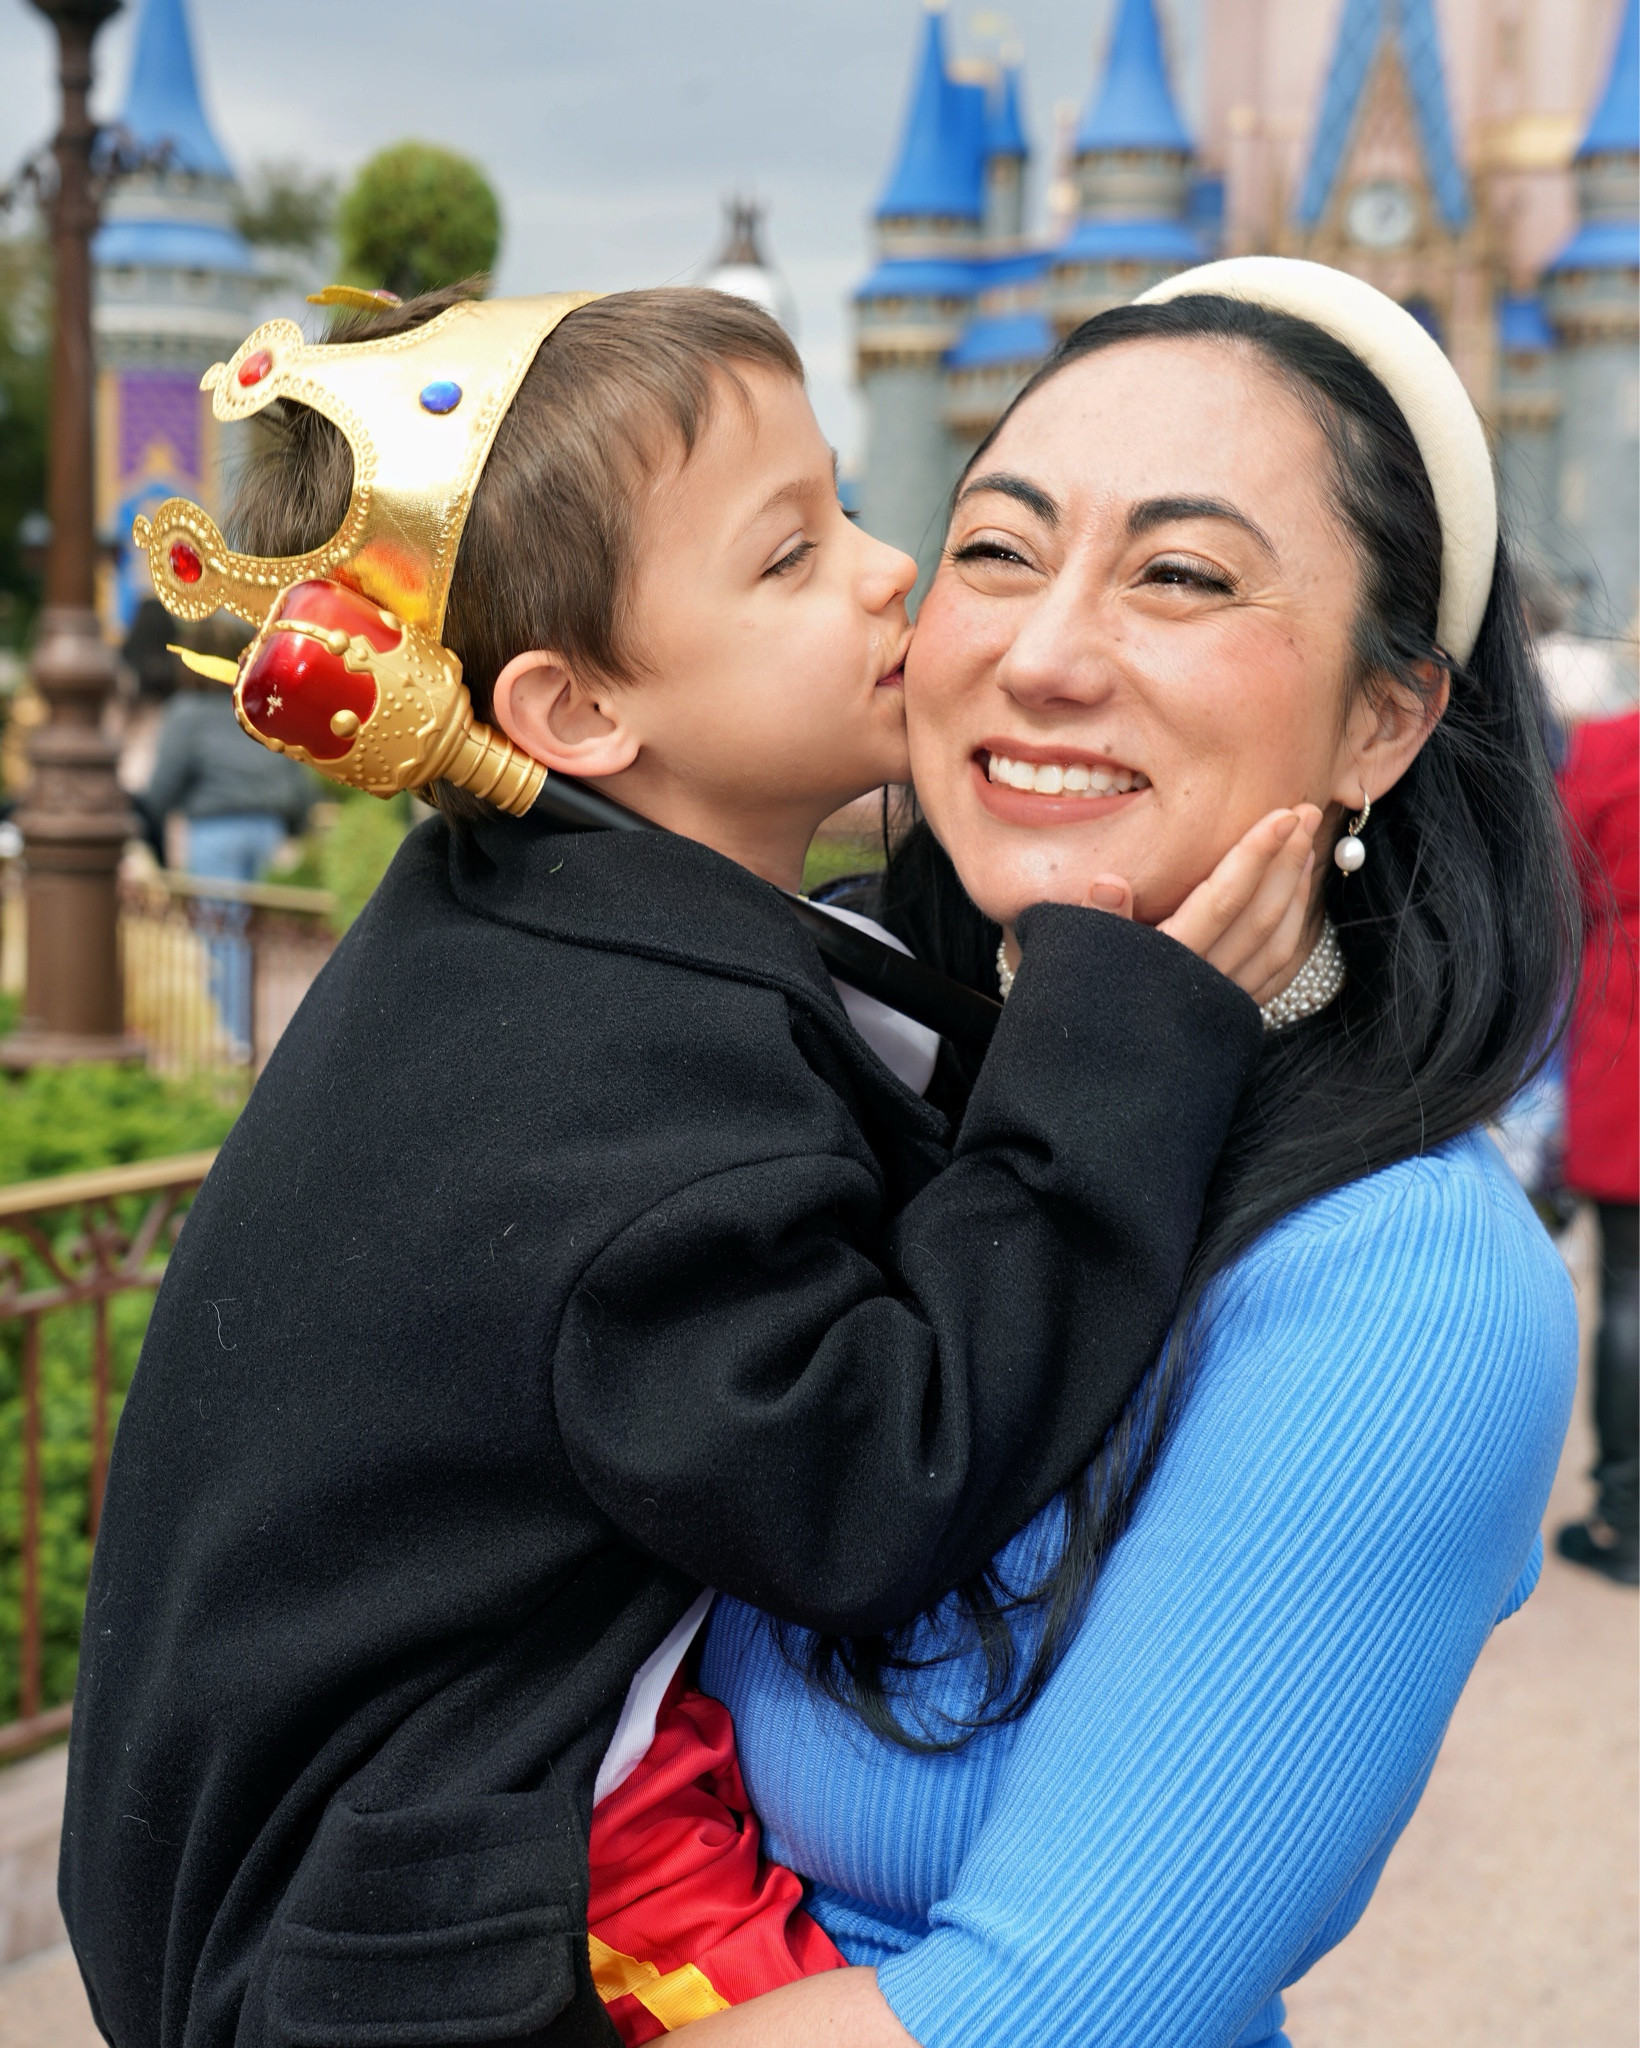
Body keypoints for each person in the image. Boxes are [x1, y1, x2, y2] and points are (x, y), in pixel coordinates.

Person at [61, 286, 1312, 2048]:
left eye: (852, 509)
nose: (895, 571)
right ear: (572, 709)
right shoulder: (606, 1088)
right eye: (793, 554)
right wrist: (1133, 1036)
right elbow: (878, 1475)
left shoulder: (541, 948)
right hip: (421, 1958)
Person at [688, 259, 1580, 2048]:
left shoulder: (1396, 1282)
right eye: (999, 550)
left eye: (1181, 573)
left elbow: (1048, 2009)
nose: (1044, 650)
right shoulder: (821, 1060)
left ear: (1387, 716)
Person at [144, 611, 315, 1049]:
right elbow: (299, 772)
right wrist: (295, 828)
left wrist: (148, 828)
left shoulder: (187, 714)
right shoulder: (265, 703)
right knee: (276, 948)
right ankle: (281, 1048)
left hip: (215, 833)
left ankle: (232, 1045)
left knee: (223, 942)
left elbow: (164, 785)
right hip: (271, 831)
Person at [1556, 707, 1639, 1585]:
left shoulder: (1614, 745)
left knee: (1631, 1289)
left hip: (1628, 1040)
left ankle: (1627, 1518)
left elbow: (1563, 880)